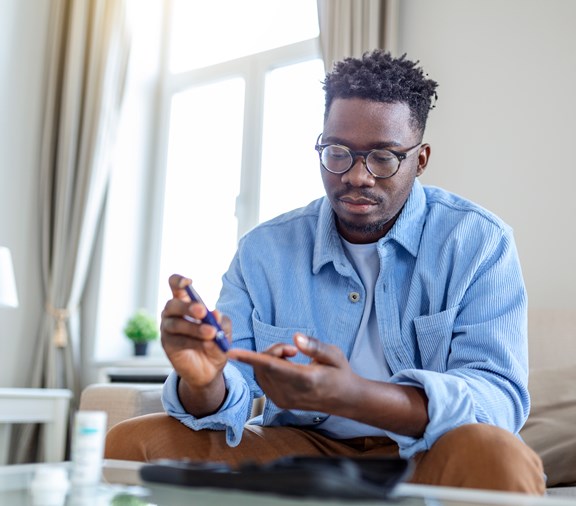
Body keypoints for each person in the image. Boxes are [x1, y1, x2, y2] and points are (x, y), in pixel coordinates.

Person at [105, 50, 545, 494]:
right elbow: (228, 392)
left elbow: (497, 399)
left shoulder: (478, 242)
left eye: (383, 157)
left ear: (422, 158)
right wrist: (205, 382)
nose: (357, 176)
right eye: (338, 152)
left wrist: (354, 395)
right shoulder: (265, 250)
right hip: (299, 451)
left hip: (423, 454)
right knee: (133, 442)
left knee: (499, 457)